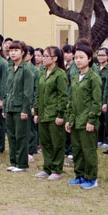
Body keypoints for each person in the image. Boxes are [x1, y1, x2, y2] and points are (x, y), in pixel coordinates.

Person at [66, 44, 102, 188]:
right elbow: (71, 99)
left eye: (81, 57)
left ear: (89, 59)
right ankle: (79, 175)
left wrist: (91, 120)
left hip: (87, 120)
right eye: (76, 58)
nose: (78, 60)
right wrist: (69, 119)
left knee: (88, 151)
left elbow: (96, 101)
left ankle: (91, 178)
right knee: (77, 150)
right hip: (75, 120)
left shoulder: (94, 78)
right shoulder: (75, 77)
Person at [33, 46, 67, 180]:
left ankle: (57, 169)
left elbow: (63, 96)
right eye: (43, 55)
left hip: (54, 114)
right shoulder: (42, 73)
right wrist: (36, 112)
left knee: (57, 143)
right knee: (45, 143)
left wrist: (60, 115)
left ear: (55, 59)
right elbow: (38, 94)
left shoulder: (60, 74)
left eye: (47, 56)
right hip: (43, 113)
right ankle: (47, 167)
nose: (43, 58)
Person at [3, 40, 34, 172]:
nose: (13, 53)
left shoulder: (26, 69)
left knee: (21, 136)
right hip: (10, 107)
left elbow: (27, 93)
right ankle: (14, 162)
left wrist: (24, 110)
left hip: (20, 108)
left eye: (16, 50)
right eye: (11, 50)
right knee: (11, 136)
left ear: (22, 53)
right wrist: (5, 107)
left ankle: (21, 164)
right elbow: (7, 90)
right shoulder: (10, 68)